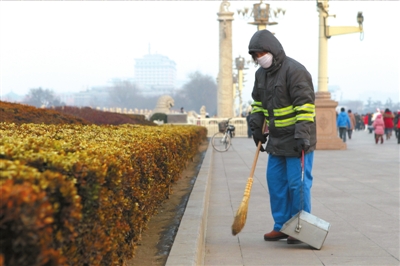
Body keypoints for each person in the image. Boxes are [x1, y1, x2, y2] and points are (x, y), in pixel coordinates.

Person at [247, 29, 316, 245]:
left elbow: (305, 106)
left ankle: (300, 227)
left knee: (297, 185)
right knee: (276, 183)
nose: (260, 58)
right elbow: (258, 104)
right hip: (276, 140)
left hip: (297, 139)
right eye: (256, 55)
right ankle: (282, 226)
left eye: (262, 53)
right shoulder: (261, 75)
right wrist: (256, 126)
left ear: (273, 50)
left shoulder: (295, 71)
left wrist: (302, 135)